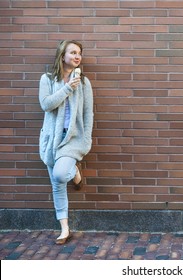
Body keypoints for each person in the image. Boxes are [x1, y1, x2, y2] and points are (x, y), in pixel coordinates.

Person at [39, 40, 94, 245]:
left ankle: (75, 171)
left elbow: (88, 113)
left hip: (73, 139)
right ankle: (64, 229)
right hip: (52, 138)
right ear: (63, 56)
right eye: (72, 52)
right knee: (57, 184)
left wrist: (86, 139)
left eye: (79, 53)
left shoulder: (84, 82)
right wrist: (66, 89)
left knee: (61, 174)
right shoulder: (47, 79)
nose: (77, 56)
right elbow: (46, 105)